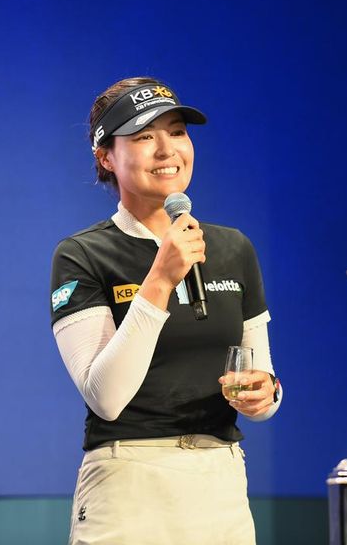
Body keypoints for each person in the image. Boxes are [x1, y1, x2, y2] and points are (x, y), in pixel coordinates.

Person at [50, 76, 282, 545]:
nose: (167, 150)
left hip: (222, 487)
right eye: (143, 137)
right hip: (129, 486)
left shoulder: (233, 248)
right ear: (106, 157)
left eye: (176, 131)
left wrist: (266, 395)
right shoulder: (82, 255)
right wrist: (159, 280)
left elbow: (261, 382)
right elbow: (106, 397)